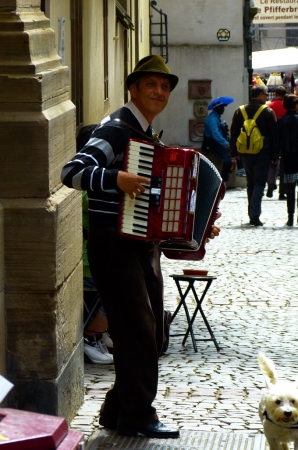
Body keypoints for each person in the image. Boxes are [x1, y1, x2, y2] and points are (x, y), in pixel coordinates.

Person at [61, 55, 220, 439]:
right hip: (113, 245)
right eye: (151, 85)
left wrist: (188, 231)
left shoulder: (147, 136)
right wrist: (116, 178)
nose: (159, 92)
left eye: (165, 87)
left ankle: (117, 409)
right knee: (138, 330)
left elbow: (153, 207)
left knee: (150, 333)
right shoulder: (116, 129)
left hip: (138, 247)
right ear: (133, 88)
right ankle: (137, 415)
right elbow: (72, 172)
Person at [230, 85, 277, 226]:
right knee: (259, 183)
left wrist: (233, 153)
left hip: (245, 153)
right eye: (265, 94)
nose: (266, 97)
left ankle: (251, 213)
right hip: (263, 152)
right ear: (260, 95)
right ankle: (255, 215)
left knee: (250, 183)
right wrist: (275, 155)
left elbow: (233, 133)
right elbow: (274, 135)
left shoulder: (240, 111)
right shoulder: (267, 111)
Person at [274, 94, 298, 226]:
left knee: (290, 188)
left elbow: (277, 141)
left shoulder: (281, 120)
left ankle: (290, 217)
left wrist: (275, 156)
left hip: (287, 157)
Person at [202, 99, 234, 185]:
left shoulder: (216, 117)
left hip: (216, 142)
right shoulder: (213, 118)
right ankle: (223, 182)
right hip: (212, 144)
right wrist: (226, 144)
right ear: (217, 108)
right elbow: (215, 134)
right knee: (228, 158)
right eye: (222, 107)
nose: (223, 109)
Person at [266, 86, 287, 199]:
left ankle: (271, 183)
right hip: (284, 140)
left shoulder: (268, 107)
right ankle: (282, 191)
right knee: (284, 166)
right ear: (284, 95)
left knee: (272, 163)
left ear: (274, 94)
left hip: (271, 139)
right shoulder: (287, 107)